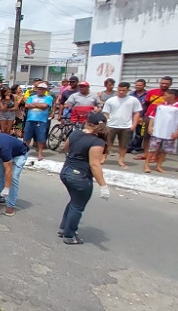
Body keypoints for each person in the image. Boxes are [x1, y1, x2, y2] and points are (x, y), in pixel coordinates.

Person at [58, 112, 111, 245]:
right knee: (77, 205)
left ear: (87, 122)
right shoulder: (97, 142)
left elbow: (65, 148)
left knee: (74, 201)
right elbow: (95, 164)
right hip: (80, 177)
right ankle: (69, 235)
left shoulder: (75, 133)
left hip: (66, 172)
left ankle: (64, 227)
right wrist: (103, 186)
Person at [0, 133, 29, 216]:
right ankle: (1, 197)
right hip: (7, 153)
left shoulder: (4, 149)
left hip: (19, 155)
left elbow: (8, 170)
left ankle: (10, 205)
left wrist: (7, 187)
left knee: (13, 178)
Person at [144, 89, 178, 173]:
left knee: (164, 151)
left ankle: (159, 166)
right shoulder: (160, 106)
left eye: (165, 95)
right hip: (157, 132)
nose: (163, 97)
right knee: (151, 149)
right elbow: (152, 116)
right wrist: (150, 126)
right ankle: (146, 165)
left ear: (172, 96)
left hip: (170, 133)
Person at [102, 82, 142, 168]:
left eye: (123, 90)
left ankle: (121, 160)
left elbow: (136, 113)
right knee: (107, 144)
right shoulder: (111, 100)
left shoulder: (133, 100)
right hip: (111, 125)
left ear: (127, 90)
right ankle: (103, 158)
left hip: (126, 126)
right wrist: (106, 123)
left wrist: (134, 125)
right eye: (119, 90)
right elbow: (105, 113)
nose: (121, 92)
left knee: (123, 145)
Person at [135, 76, 173, 161]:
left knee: (158, 138)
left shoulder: (172, 95)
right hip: (148, 117)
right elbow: (145, 104)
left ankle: (154, 156)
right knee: (146, 136)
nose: (164, 85)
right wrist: (141, 116)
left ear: (170, 84)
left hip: (162, 120)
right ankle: (146, 153)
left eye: (166, 84)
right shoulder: (152, 92)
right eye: (162, 83)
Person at [24, 83, 53, 161]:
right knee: (27, 137)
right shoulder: (31, 97)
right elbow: (26, 105)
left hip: (41, 120)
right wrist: (39, 105)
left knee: (40, 138)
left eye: (42, 89)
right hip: (30, 119)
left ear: (45, 90)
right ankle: (25, 152)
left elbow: (45, 106)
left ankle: (40, 153)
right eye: (39, 88)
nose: (40, 90)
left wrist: (33, 104)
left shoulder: (48, 98)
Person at [127, 79, 148, 154]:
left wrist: (143, 117)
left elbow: (148, 107)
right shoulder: (131, 94)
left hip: (142, 117)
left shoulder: (147, 95)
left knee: (139, 133)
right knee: (129, 132)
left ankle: (136, 148)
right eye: (136, 85)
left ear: (144, 85)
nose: (138, 86)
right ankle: (128, 147)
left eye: (140, 85)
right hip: (131, 117)